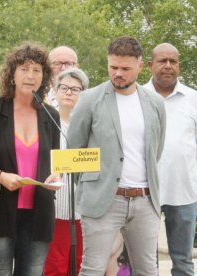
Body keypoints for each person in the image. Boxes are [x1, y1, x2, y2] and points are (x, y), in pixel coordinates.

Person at [67, 36, 166, 275]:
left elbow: (156, 151)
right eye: (113, 67)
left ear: (141, 66)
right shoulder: (90, 99)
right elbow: (74, 150)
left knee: (148, 270)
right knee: (92, 268)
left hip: (145, 201)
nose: (118, 73)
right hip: (103, 201)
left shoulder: (155, 103)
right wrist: (94, 185)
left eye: (125, 68)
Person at [0, 42, 61, 275]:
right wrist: (1, 177)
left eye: (37, 70)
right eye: (24, 69)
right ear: (12, 75)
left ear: (44, 76)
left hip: (38, 214)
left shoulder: (50, 115)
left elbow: (56, 162)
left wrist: (57, 174)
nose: (31, 76)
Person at [144, 43, 197, 276]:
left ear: (179, 66)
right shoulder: (136, 97)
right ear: (149, 65)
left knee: (183, 262)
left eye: (173, 61)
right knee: (144, 262)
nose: (168, 66)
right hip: (143, 192)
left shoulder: (193, 99)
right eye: (162, 61)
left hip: (184, 191)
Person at [43, 68, 88, 276]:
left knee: (81, 263)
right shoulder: (45, 122)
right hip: (54, 208)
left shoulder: (89, 125)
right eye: (64, 87)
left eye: (75, 89)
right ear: (55, 90)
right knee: (55, 265)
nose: (69, 92)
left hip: (83, 210)